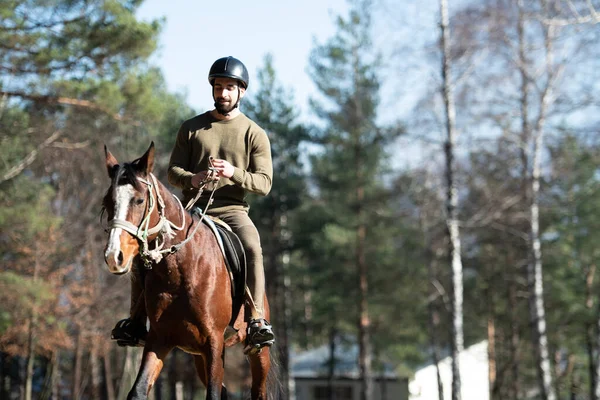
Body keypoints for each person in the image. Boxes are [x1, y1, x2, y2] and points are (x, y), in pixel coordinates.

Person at [111, 56, 275, 351]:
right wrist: (194, 179)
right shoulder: (191, 127)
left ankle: (256, 322)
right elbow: (173, 172)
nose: (223, 93)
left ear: (242, 92)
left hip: (232, 211)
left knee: (252, 246)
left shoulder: (254, 133)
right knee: (144, 250)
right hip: (191, 211)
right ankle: (136, 321)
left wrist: (232, 173)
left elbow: (264, 183)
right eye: (218, 86)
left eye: (229, 88)